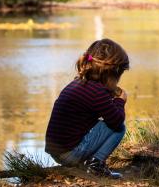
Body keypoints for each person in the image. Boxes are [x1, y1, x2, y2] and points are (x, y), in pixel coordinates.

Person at [45, 38, 129, 179]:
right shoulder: (97, 92)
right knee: (120, 128)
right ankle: (96, 166)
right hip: (69, 154)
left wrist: (109, 95)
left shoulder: (80, 83)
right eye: (119, 76)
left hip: (57, 151)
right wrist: (121, 101)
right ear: (111, 74)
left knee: (105, 123)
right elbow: (116, 120)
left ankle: (86, 163)